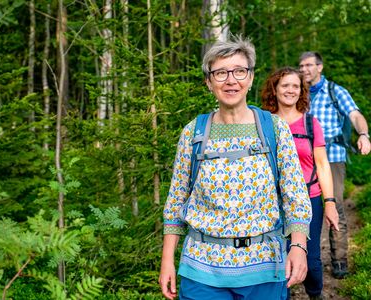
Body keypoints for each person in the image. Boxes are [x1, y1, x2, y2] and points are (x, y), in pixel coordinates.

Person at [158, 35, 312, 300]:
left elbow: (295, 195)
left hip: (264, 267)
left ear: (250, 78)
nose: (231, 80)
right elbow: (176, 201)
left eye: (239, 71)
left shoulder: (274, 129)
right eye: (220, 73)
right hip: (201, 270)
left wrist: (298, 246)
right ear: (208, 82)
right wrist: (167, 260)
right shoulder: (193, 132)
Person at [261, 67, 339, 299]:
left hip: (309, 197)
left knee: (312, 261)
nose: (290, 90)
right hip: (272, 201)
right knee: (275, 258)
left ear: (302, 91)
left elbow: (322, 164)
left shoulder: (310, 123)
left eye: (296, 86)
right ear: (274, 89)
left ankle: (315, 293)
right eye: (285, 85)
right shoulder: (264, 123)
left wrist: (330, 203)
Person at [299, 52, 371, 279]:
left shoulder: (335, 91)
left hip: (332, 157)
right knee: (302, 208)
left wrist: (364, 134)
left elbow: (355, 114)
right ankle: (306, 260)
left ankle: (339, 260)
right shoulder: (297, 92)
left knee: (335, 206)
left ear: (320, 67)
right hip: (303, 159)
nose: (304, 70)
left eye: (309, 65)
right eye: (301, 66)